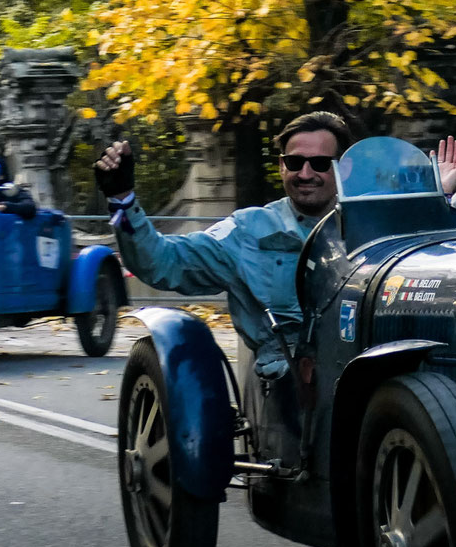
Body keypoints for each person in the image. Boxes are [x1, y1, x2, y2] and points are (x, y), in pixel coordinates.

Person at [93, 111, 351, 379]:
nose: (305, 173)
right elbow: (162, 262)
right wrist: (122, 199)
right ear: (281, 165)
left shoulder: (373, 225)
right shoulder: (247, 231)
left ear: (343, 168)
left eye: (320, 163)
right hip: (287, 381)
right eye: (295, 162)